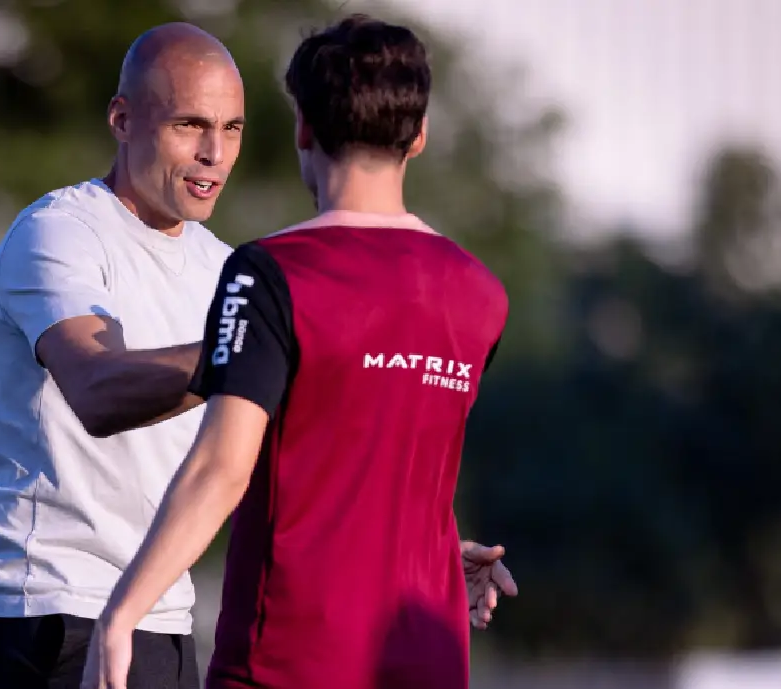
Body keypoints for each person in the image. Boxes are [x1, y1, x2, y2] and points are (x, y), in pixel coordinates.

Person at [81, 14, 517, 689]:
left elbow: (220, 468)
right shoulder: (480, 293)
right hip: (430, 657)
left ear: (304, 129)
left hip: (289, 661)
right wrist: (436, 552)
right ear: (420, 135)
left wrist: (123, 610)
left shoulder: (271, 272)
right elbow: (397, 461)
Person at [0, 23, 245, 689]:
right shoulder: (59, 233)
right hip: (54, 606)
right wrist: (246, 354)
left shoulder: (225, 267)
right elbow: (95, 389)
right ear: (122, 118)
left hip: (162, 611)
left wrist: (412, 554)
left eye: (232, 129)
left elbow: (270, 452)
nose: (214, 153)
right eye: (190, 125)